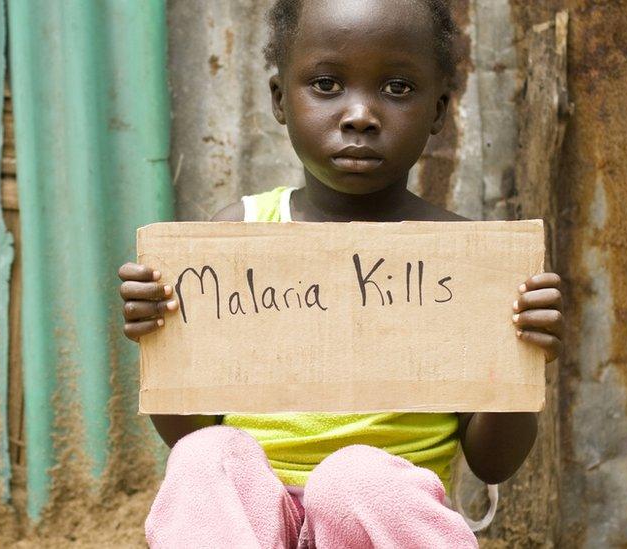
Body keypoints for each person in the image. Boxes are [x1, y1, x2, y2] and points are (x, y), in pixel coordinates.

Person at [118, 0, 564, 546]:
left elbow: (493, 464)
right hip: (252, 529)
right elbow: (188, 435)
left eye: (397, 88)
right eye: (327, 84)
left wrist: (518, 363)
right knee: (206, 455)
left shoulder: (466, 260)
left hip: (379, 526)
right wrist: (164, 346)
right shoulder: (238, 239)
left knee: (355, 480)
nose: (360, 114)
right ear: (281, 99)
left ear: (440, 110)